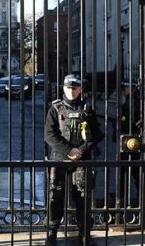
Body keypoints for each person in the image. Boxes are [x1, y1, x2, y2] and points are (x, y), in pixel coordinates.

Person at [44, 73, 104, 246]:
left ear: (80, 89)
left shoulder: (87, 108)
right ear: (63, 88)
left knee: (83, 198)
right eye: (69, 87)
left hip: (82, 160)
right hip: (60, 159)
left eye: (75, 87)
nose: (71, 90)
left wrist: (81, 150)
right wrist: (69, 150)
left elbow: (97, 134)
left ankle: (84, 234)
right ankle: (52, 233)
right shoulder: (55, 108)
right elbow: (49, 135)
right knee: (55, 197)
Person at [116, 79, 145, 225]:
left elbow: (139, 119)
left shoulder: (138, 100)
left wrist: (127, 125)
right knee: (123, 167)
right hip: (127, 138)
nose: (123, 91)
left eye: (125, 88)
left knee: (134, 168)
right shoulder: (131, 99)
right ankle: (123, 194)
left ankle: (139, 193)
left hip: (133, 139)